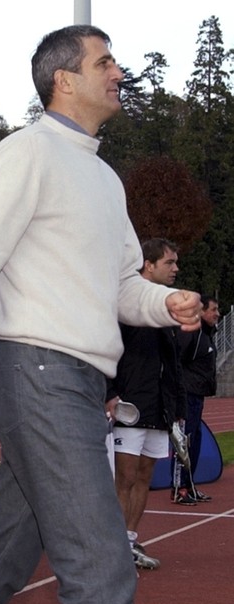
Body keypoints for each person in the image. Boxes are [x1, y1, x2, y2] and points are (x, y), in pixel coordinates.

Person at [0, 26, 202, 604]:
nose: (119, 72)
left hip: (73, 381)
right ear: (63, 79)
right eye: (106, 61)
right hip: (38, 371)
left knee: (2, 557)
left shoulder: (102, 178)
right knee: (99, 562)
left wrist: (165, 303)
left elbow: (124, 286)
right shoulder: (27, 152)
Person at [106, 238, 186, 570]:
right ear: (148, 265)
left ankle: (128, 541)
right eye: (170, 262)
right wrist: (110, 393)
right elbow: (108, 348)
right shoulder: (125, 303)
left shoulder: (166, 306)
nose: (176, 268)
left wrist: (177, 410)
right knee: (123, 478)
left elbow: (174, 364)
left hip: (160, 409)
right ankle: (110, 548)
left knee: (145, 475)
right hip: (130, 405)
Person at [175, 293, 220, 502]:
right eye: (214, 310)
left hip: (198, 395)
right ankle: (179, 488)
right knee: (184, 440)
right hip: (187, 394)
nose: (217, 314)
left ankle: (190, 485)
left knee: (195, 441)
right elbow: (177, 359)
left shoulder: (207, 334)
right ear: (202, 311)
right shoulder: (192, 333)